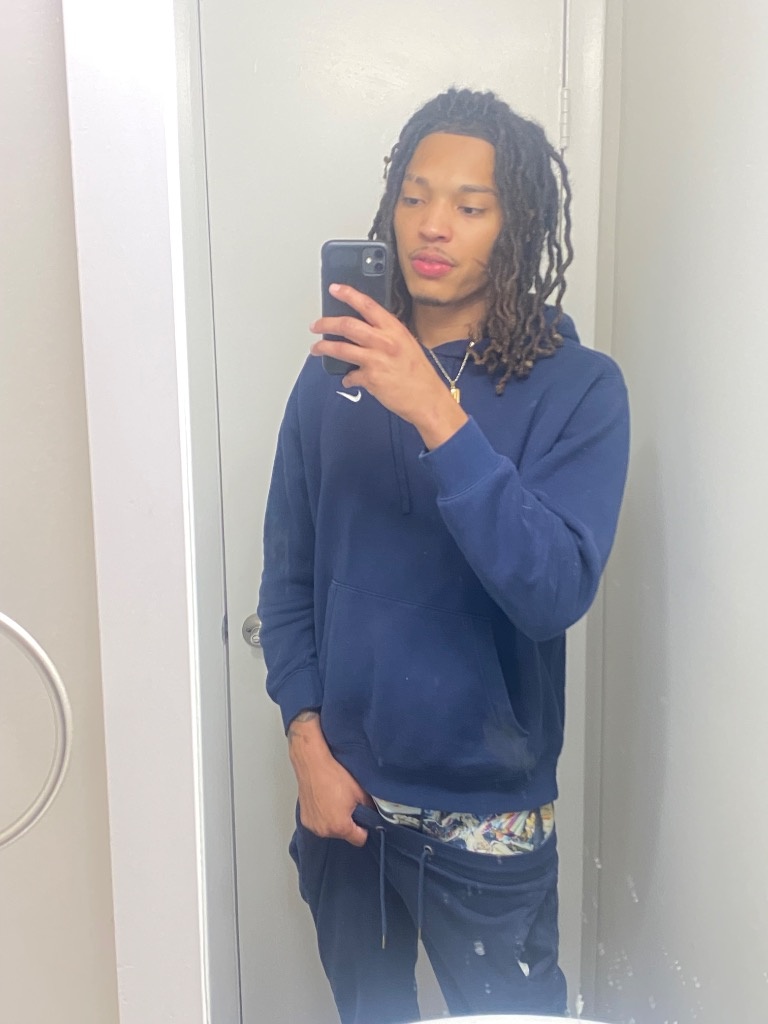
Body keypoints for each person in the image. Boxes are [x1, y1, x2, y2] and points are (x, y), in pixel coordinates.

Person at [258, 88, 629, 1024]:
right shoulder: (330, 376)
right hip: (346, 804)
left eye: (470, 206)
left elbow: (552, 590)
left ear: (516, 224)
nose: (433, 226)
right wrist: (305, 743)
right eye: (416, 196)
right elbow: (289, 575)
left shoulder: (581, 389)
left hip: (490, 821)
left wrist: (435, 410)